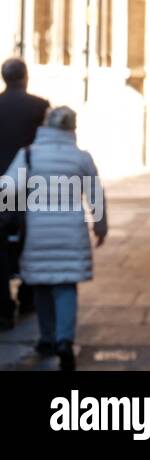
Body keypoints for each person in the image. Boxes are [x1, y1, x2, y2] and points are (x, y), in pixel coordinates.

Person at [9, 106, 108, 371]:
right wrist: (100, 226)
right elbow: (95, 195)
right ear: (72, 129)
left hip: (38, 229)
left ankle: (47, 338)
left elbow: (7, 190)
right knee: (65, 286)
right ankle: (65, 340)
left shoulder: (28, 155)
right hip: (70, 231)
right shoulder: (81, 157)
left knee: (41, 285)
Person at [0, 58, 49, 330]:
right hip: (30, 184)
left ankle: (4, 308)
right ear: (25, 77)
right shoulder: (40, 106)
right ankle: (28, 296)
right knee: (32, 238)